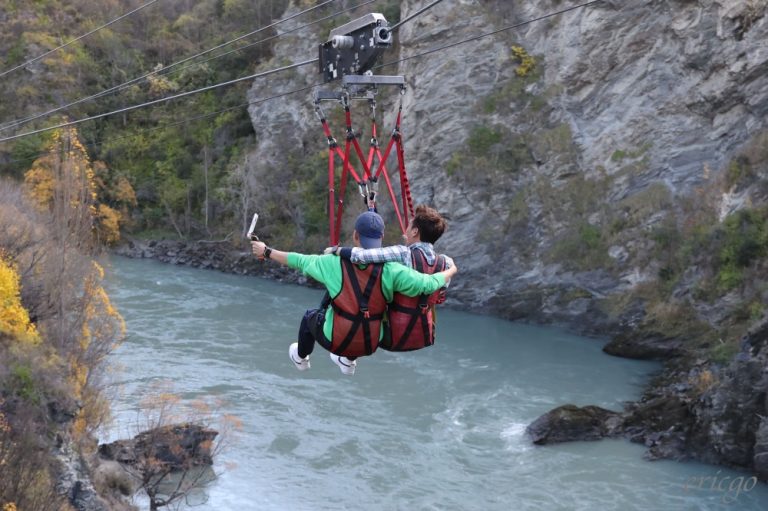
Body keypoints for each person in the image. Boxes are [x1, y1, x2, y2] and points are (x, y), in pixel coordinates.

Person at [251, 211, 458, 375]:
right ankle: (348, 362)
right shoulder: (393, 269)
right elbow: (427, 284)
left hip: (335, 338)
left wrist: (266, 251)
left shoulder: (333, 262)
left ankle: (300, 358)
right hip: (370, 342)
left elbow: (298, 260)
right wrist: (450, 271)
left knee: (311, 316)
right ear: (382, 237)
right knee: (362, 304)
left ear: (355, 235)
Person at [326, 205, 451, 351]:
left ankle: (346, 349)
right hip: (423, 334)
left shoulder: (403, 253)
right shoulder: (446, 263)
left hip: (390, 334)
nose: (406, 229)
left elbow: (363, 256)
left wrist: (336, 250)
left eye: (409, 226)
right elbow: (439, 297)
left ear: (415, 231)